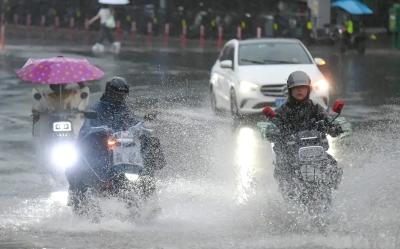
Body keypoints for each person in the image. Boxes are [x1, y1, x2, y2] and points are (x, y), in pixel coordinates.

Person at [66, 76, 165, 210]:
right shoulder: (97, 108)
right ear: (109, 93)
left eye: (123, 96)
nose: (120, 99)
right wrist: (102, 130)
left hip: (123, 151)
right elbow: (87, 128)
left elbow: (134, 122)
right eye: (117, 96)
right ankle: (81, 201)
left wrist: (144, 130)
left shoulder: (125, 109)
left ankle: (148, 202)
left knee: (145, 169)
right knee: (80, 170)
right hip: (100, 151)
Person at [271, 71, 343, 198]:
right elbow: (272, 125)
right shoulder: (282, 110)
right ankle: (287, 199)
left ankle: (328, 192)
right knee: (285, 173)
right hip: (290, 152)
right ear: (290, 90)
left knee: (333, 166)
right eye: (296, 88)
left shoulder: (315, 107)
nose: (299, 90)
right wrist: (275, 131)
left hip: (313, 150)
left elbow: (327, 118)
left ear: (308, 89)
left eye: (303, 88)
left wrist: (333, 126)